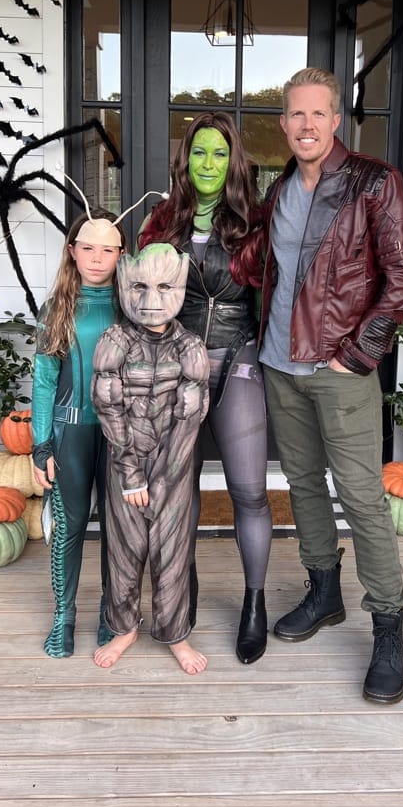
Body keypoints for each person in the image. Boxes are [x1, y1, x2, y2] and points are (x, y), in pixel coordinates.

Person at [257, 67, 403, 704]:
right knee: (300, 485)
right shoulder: (280, 188)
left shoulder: (373, 183)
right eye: (295, 115)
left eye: (317, 114)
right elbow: (269, 268)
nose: (306, 126)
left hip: (340, 369)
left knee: (361, 497)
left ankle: (388, 630)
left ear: (336, 121)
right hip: (280, 365)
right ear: (284, 125)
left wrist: (360, 354)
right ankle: (324, 594)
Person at [137, 111, 271, 665]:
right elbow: (139, 297)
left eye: (219, 153)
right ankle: (178, 599)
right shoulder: (161, 221)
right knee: (177, 491)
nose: (209, 163)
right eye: (199, 152)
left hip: (238, 359)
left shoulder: (256, 222)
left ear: (233, 160)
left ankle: (255, 603)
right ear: (185, 160)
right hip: (175, 370)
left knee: (248, 490)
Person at [91, 243, 211, 675]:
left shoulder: (192, 347)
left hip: (173, 468)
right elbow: (109, 407)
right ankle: (123, 627)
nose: (150, 301)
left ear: (181, 286)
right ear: (124, 285)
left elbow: (190, 417)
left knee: (172, 552)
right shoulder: (114, 341)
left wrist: (165, 478)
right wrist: (131, 475)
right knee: (125, 551)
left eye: (164, 287)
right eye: (139, 286)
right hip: (126, 464)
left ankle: (175, 633)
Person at [32, 207, 126, 659]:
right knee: (68, 526)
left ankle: (112, 613)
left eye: (108, 249)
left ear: (120, 254)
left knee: (116, 527)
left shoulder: (131, 306)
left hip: (119, 435)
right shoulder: (58, 308)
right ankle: (64, 616)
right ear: (72, 251)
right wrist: (40, 444)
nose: (97, 258)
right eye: (88, 248)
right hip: (70, 433)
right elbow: (45, 381)